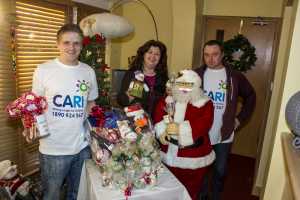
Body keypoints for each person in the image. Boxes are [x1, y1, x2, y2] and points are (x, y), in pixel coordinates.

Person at [25, 24, 98, 200]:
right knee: (51, 195)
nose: (71, 48)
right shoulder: (43, 70)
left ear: (81, 45)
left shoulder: (88, 72)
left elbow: (91, 102)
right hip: (53, 149)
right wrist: (29, 127)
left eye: (76, 43)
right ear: (58, 44)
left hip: (82, 148)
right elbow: (34, 106)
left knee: (77, 193)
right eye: (66, 42)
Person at [194, 40, 256, 200]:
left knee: (220, 170)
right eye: (206, 55)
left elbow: (251, 96)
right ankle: (201, 196)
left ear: (222, 55)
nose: (210, 59)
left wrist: (239, 119)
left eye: (215, 55)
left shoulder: (234, 77)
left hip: (224, 134)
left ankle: (215, 195)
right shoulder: (196, 75)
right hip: (201, 133)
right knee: (201, 169)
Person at [153, 70, 215, 200]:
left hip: (193, 158)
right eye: (181, 84)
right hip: (168, 155)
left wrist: (180, 129)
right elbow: (159, 116)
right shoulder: (168, 100)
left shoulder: (205, 103)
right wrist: (162, 132)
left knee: (190, 192)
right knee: (167, 190)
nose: (184, 89)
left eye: (189, 85)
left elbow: (204, 124)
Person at [117, 40, 168, 116]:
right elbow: (121, 101)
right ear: (143, 54)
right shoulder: (132, 74)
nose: (153, 56)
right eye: (150, 52)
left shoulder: (163, 78)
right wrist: (130, 95)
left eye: (157, 54)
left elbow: (167, 102)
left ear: (160, 58)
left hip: (158, 123)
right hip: (136, 122)